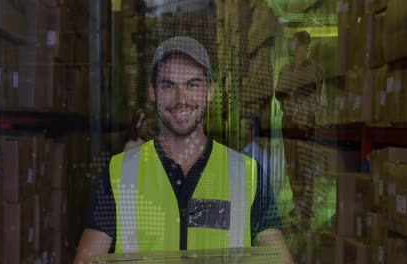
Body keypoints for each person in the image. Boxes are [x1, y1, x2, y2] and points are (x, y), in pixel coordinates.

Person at [74, 36, 294, 263]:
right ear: (152, 92)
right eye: (168, 85)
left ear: (210, 91)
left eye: (193, 84)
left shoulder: (248, 175)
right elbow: (86, 260)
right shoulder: (119, 175)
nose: (181, 99)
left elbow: (280, 259)